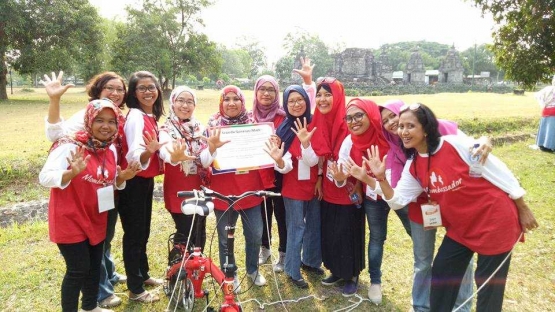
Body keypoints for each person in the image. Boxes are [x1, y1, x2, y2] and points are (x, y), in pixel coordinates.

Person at [355, 103, 538, 312]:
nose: (403, 132)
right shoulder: (413, 164)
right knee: (443, 273)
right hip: (461, 228)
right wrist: (379, 179)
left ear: (426, 128)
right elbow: (398, 200)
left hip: (494, 221)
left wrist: (522, 206)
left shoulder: (454, 145)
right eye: (401, 127)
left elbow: (497, 171)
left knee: (488, 288)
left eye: (410, 126)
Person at [379, 99, 480, 311]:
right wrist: (378, 179)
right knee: (423, 261)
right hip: (421, 205)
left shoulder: (445, 132)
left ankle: (461, 307)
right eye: (386, 121)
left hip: (452, 199)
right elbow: (398, 196)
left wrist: (484, 141)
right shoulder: (399, 152)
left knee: (463, 258)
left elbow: (475, 150)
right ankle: (421, 306)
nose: (392, 124)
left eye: (393, 116)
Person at [39, 99, 139, 312]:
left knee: (95, 267)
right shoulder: (69, 145)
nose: (106, 126)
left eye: (112, 121)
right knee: (78, 270)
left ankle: (90, 307)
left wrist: (123, 178)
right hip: (70, 218)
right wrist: (70, 173)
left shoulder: (110, 149)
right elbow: (45, 177)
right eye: (100, 120)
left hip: (96, 217)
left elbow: (111, 184)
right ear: (88, 120)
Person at [329, 98, 408, 303]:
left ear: (370, 114)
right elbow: (341, 175)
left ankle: (429, 279)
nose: (354, 121)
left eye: (359, 115)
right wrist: (339, 180)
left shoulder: (387, 134)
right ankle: (375, 282)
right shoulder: (349, 142)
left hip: (403, 192)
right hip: (374, 196)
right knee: (377, 237)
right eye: (349, 118)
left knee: (416, 233)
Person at [206, 85, 267, 290]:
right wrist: (212, 147)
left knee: (255, 234)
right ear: (221, 103)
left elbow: (265, 155)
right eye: (227, 99)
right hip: (224, 193)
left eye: (236, 99)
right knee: (225, 238)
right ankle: (229, 274)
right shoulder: (213, 127)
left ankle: (252, 270)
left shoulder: (254, 126)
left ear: (242, 101)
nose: (231, 103)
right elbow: (205, 161)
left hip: (250, 192)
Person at [307, 77, 364, 297]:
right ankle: (336, 270)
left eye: (327, 94)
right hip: (329, 185)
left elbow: (360, 155)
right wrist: (321, 177)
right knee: (330, 228)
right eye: (319, 94)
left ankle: (351, 274)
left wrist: (355, 182)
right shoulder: (319, 120)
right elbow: (321, 154)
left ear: (338, 96)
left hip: (349, 185)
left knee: (347, 229)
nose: (322, 99)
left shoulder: (348, 121)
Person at [265, 85, 323, 289]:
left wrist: (307, 145)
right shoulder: (283, 129)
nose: (296, 104)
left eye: (300, 99)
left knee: (314, 224)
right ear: (286, 104)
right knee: (296, 227)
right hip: (293, 186)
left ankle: (311, 261)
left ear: (307, 101)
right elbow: (284, 164)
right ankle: (292, 269)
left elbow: (318, 159)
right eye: (291, 101)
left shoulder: (316, 122)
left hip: (314, 184)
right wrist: (280, 161)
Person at [118, 71, 166, 303]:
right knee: (135, 234)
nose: (148, 92)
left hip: (145, 179)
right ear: (134, 93)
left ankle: (143, 274)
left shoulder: (149, 116)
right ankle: (135, 288)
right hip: (134, 180)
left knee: (143, 230)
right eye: (142, 88)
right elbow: (133, 154)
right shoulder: (136, 116)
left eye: (151, 87)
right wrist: (151, 151)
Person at [159, 86, 223, 250]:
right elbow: (165, 153)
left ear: (195, 105)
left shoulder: (200, 129)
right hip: (178, 189)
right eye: (180, 100)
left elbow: (204, 161)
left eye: (189, 102)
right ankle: (178, 272)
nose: (185, 106)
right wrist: (175, 157)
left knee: (199, 233)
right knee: (184, 232)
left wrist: (212, 149)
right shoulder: (166, 130)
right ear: (173, 103)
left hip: (200, 187)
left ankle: (196, 270)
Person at [252, 75, 288, 272]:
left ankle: (283, 253)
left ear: (276, 93)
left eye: (271, 89)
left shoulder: (283, 116)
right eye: (262, 89)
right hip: (257, 174)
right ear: (256, 92)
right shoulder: (250, 117)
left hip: (281, 173)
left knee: (282, 214)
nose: (266, 93)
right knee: (262, 213)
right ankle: (264, 248)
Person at [534, 75, 555, 152]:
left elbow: (536, 95)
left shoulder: (548, 88)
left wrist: (543, 103)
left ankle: (542, 144)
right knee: (551, 129)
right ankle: (550, 146)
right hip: (553, 111)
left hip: (546, 110)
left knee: (545, 127)